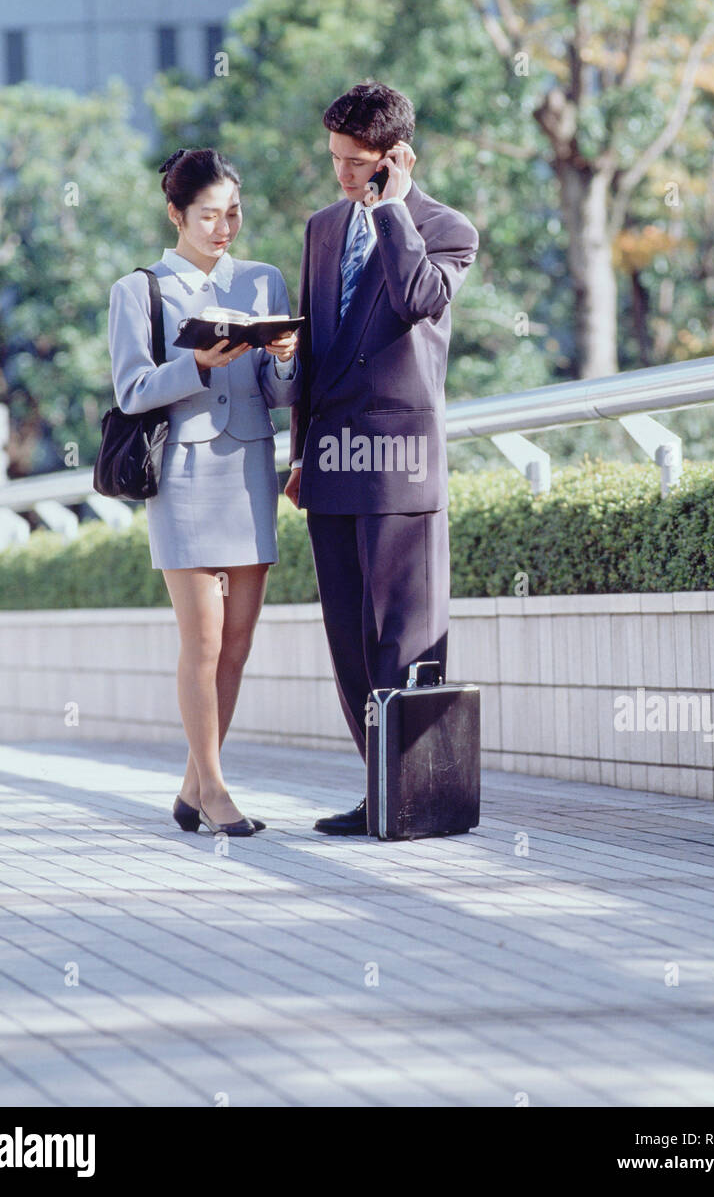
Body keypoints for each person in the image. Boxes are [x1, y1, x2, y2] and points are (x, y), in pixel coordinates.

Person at [284, 82, 479, 834]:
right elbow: (317, 350)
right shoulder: (322, 228)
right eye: (334, 158)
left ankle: (415, 796)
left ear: (396, 157)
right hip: (331, 460)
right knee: (348, 639)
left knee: (404, 635)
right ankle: (379, 792)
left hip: (400, 461)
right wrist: (300, 452)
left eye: (358, 162)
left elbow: (417, 299)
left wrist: (392, 209)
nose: (342, 175)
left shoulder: (444, 227)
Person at [108, 147, 300, 837]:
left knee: (240, 643)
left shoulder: (263, 282)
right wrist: (193, 363)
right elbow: (132, 390)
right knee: (205, 640)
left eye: (233, 214)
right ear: (176, 214)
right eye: (209, 216)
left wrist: (284, 360)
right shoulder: (139, 291)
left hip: (249, 469)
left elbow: (282, 395)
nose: (224, 229)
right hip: (184, 479)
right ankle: (216, 788)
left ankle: (192, 786)